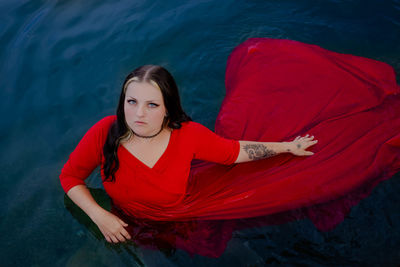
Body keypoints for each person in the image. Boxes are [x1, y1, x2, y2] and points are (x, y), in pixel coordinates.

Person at [60, 64, 318, 244]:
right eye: (132, 102)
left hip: (180, 219)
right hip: (126, 220)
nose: (138, 114)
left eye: (152, 104)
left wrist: (286, 147)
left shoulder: (189, 135)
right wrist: (99, 215)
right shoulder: (105, 132)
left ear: (167, 109)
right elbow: (70, 177)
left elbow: (234, 153)